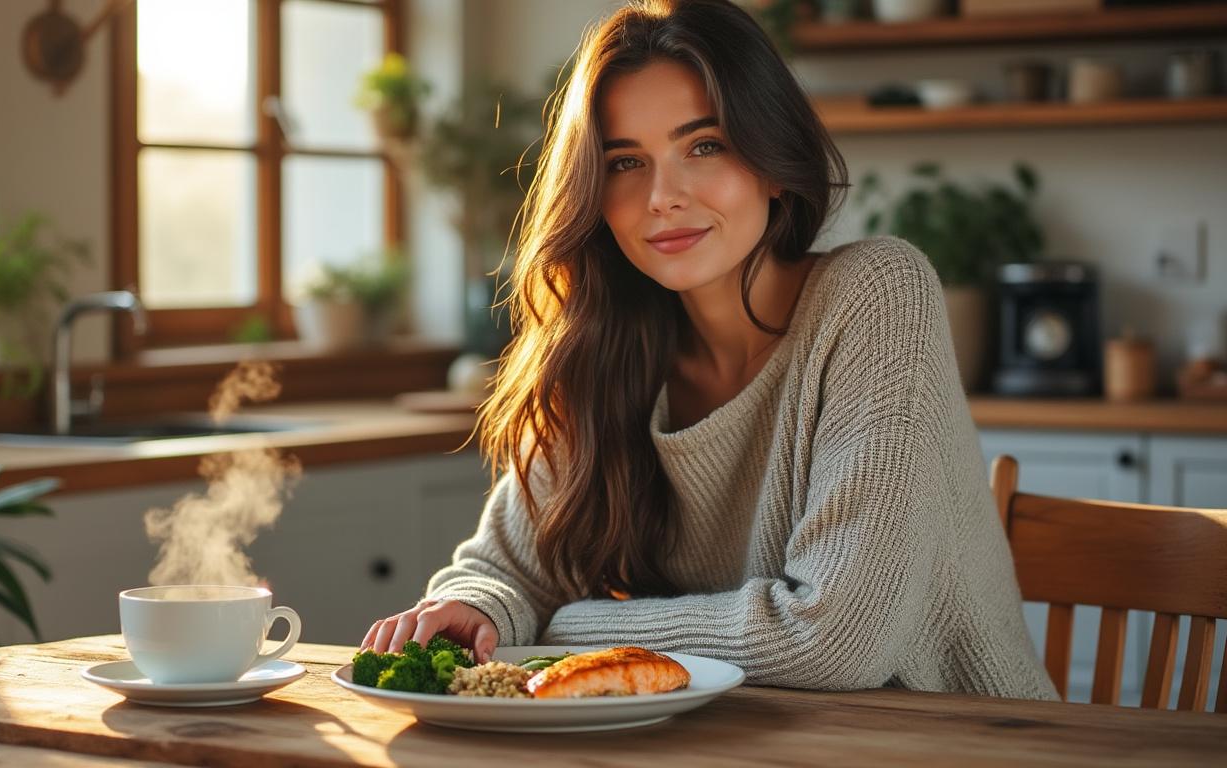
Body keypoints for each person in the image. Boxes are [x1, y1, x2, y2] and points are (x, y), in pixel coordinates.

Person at [361, 0, 1058, 700]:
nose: (662, 197)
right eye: (625, 162)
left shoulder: (877, 295)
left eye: (704, 146)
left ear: (774, 162)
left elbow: (835, 641)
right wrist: (479, 609)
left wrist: (568, 626)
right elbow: (505, 570)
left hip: (959, 736)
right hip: (746, 739)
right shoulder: (606, 345)